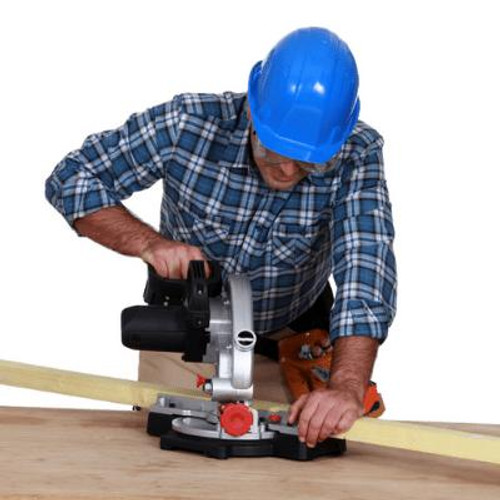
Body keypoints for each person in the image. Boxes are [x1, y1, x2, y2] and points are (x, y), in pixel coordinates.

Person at [45, 27, 397, 447]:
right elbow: (72, 180)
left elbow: (366, 267)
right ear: (252, 111)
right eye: (273, 150)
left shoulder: (357, 153)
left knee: (298, 474)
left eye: (308, 164)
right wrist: (149, 243)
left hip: (289, 344)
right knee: (163, 467)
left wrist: (346, 386)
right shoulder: (187, 123)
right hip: (184, 336)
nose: (286, 172)